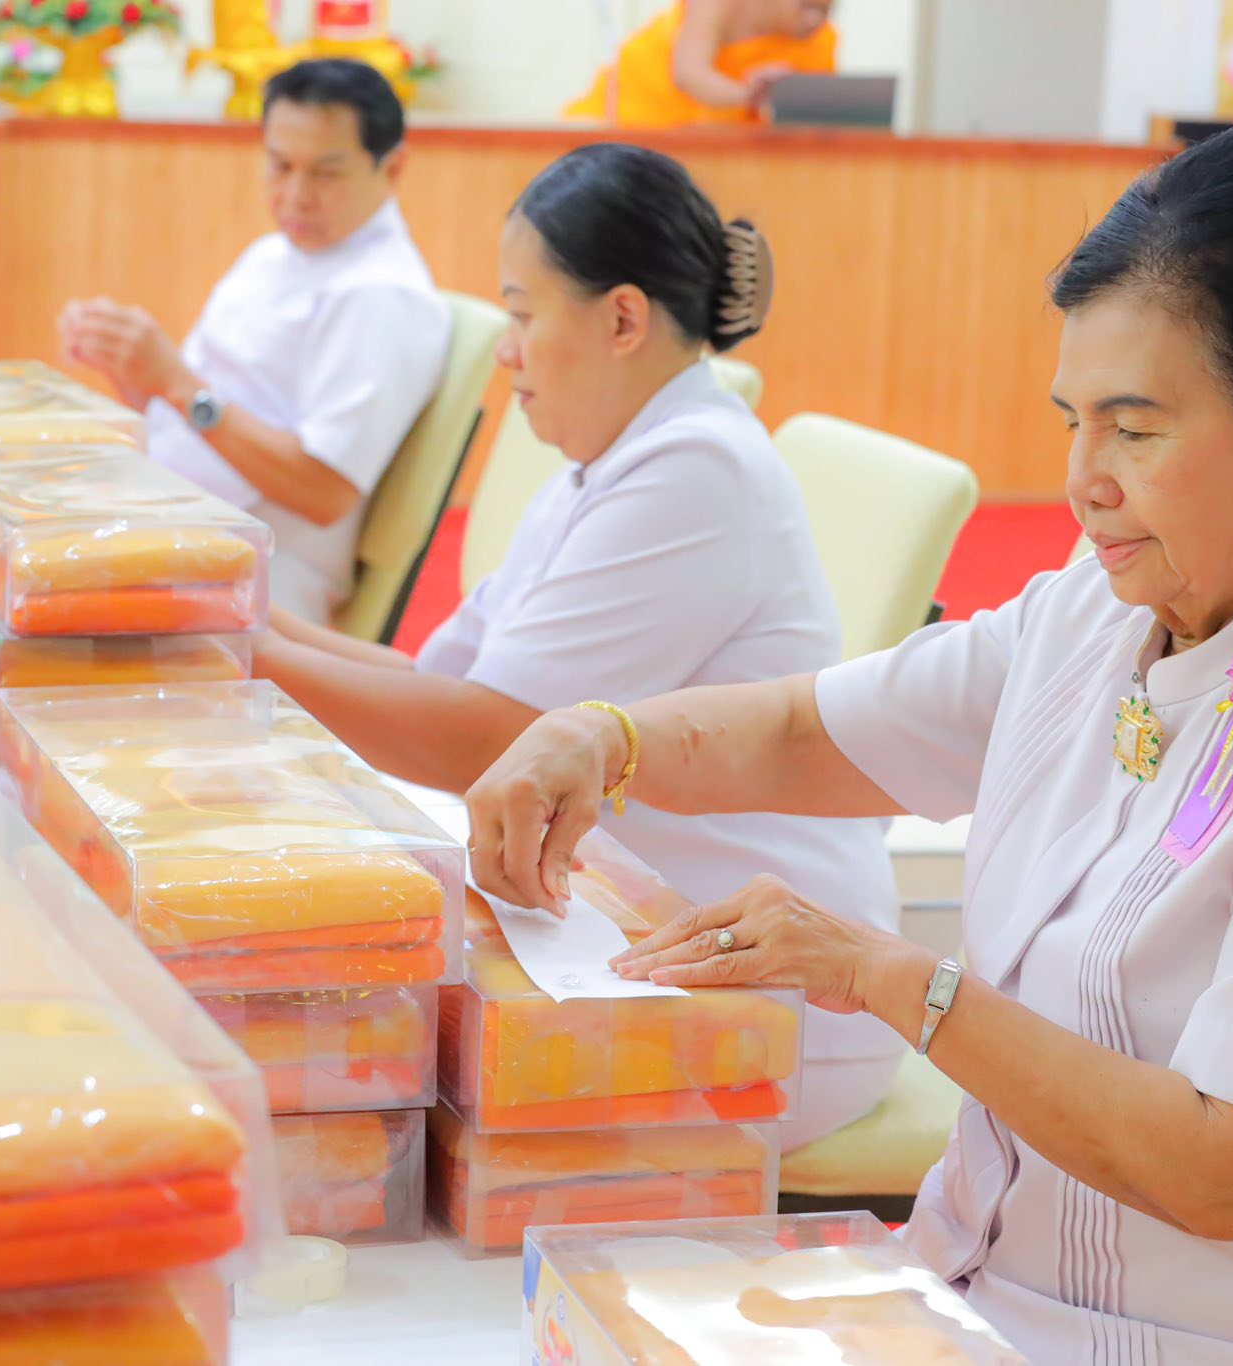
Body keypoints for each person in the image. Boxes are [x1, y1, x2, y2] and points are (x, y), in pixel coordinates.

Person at [466, 114, 1233, 1362]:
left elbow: (1219, 1173)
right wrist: (600, 735)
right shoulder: (1093, 610)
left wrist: (888, 978)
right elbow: (813, 729)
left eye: (1134, 431)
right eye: (1071, 419)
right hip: (982, 1284)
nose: (1083, 477)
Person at [255, 142, 904, 1146]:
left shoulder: (696, 470)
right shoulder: (605, 466)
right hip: (631, 932)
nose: (505, 352)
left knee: (341, 1077)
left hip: (766, 994)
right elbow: (433, 685)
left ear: (620, 318)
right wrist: (244, 606)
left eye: (520, 314)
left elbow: (486, 740)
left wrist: (242, 647)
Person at [60, 59, 450, 621]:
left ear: (392, 170)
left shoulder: (382, 295)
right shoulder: (271, 256)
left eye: (326, 172)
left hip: (259, 567)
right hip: (181, 519)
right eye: (280, 165)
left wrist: (174, 381)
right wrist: (129, 365)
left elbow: (324, 490)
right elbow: (192, 415)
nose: (295, 194)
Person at [564, 0, 836, 129]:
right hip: (636, 116)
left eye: (825, 11)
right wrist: (750, 95)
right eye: (806, 8)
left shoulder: (820, 39)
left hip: (729, 147)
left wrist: (787, 92)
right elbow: (689, 74)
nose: (815, 22)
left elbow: (814, 120)